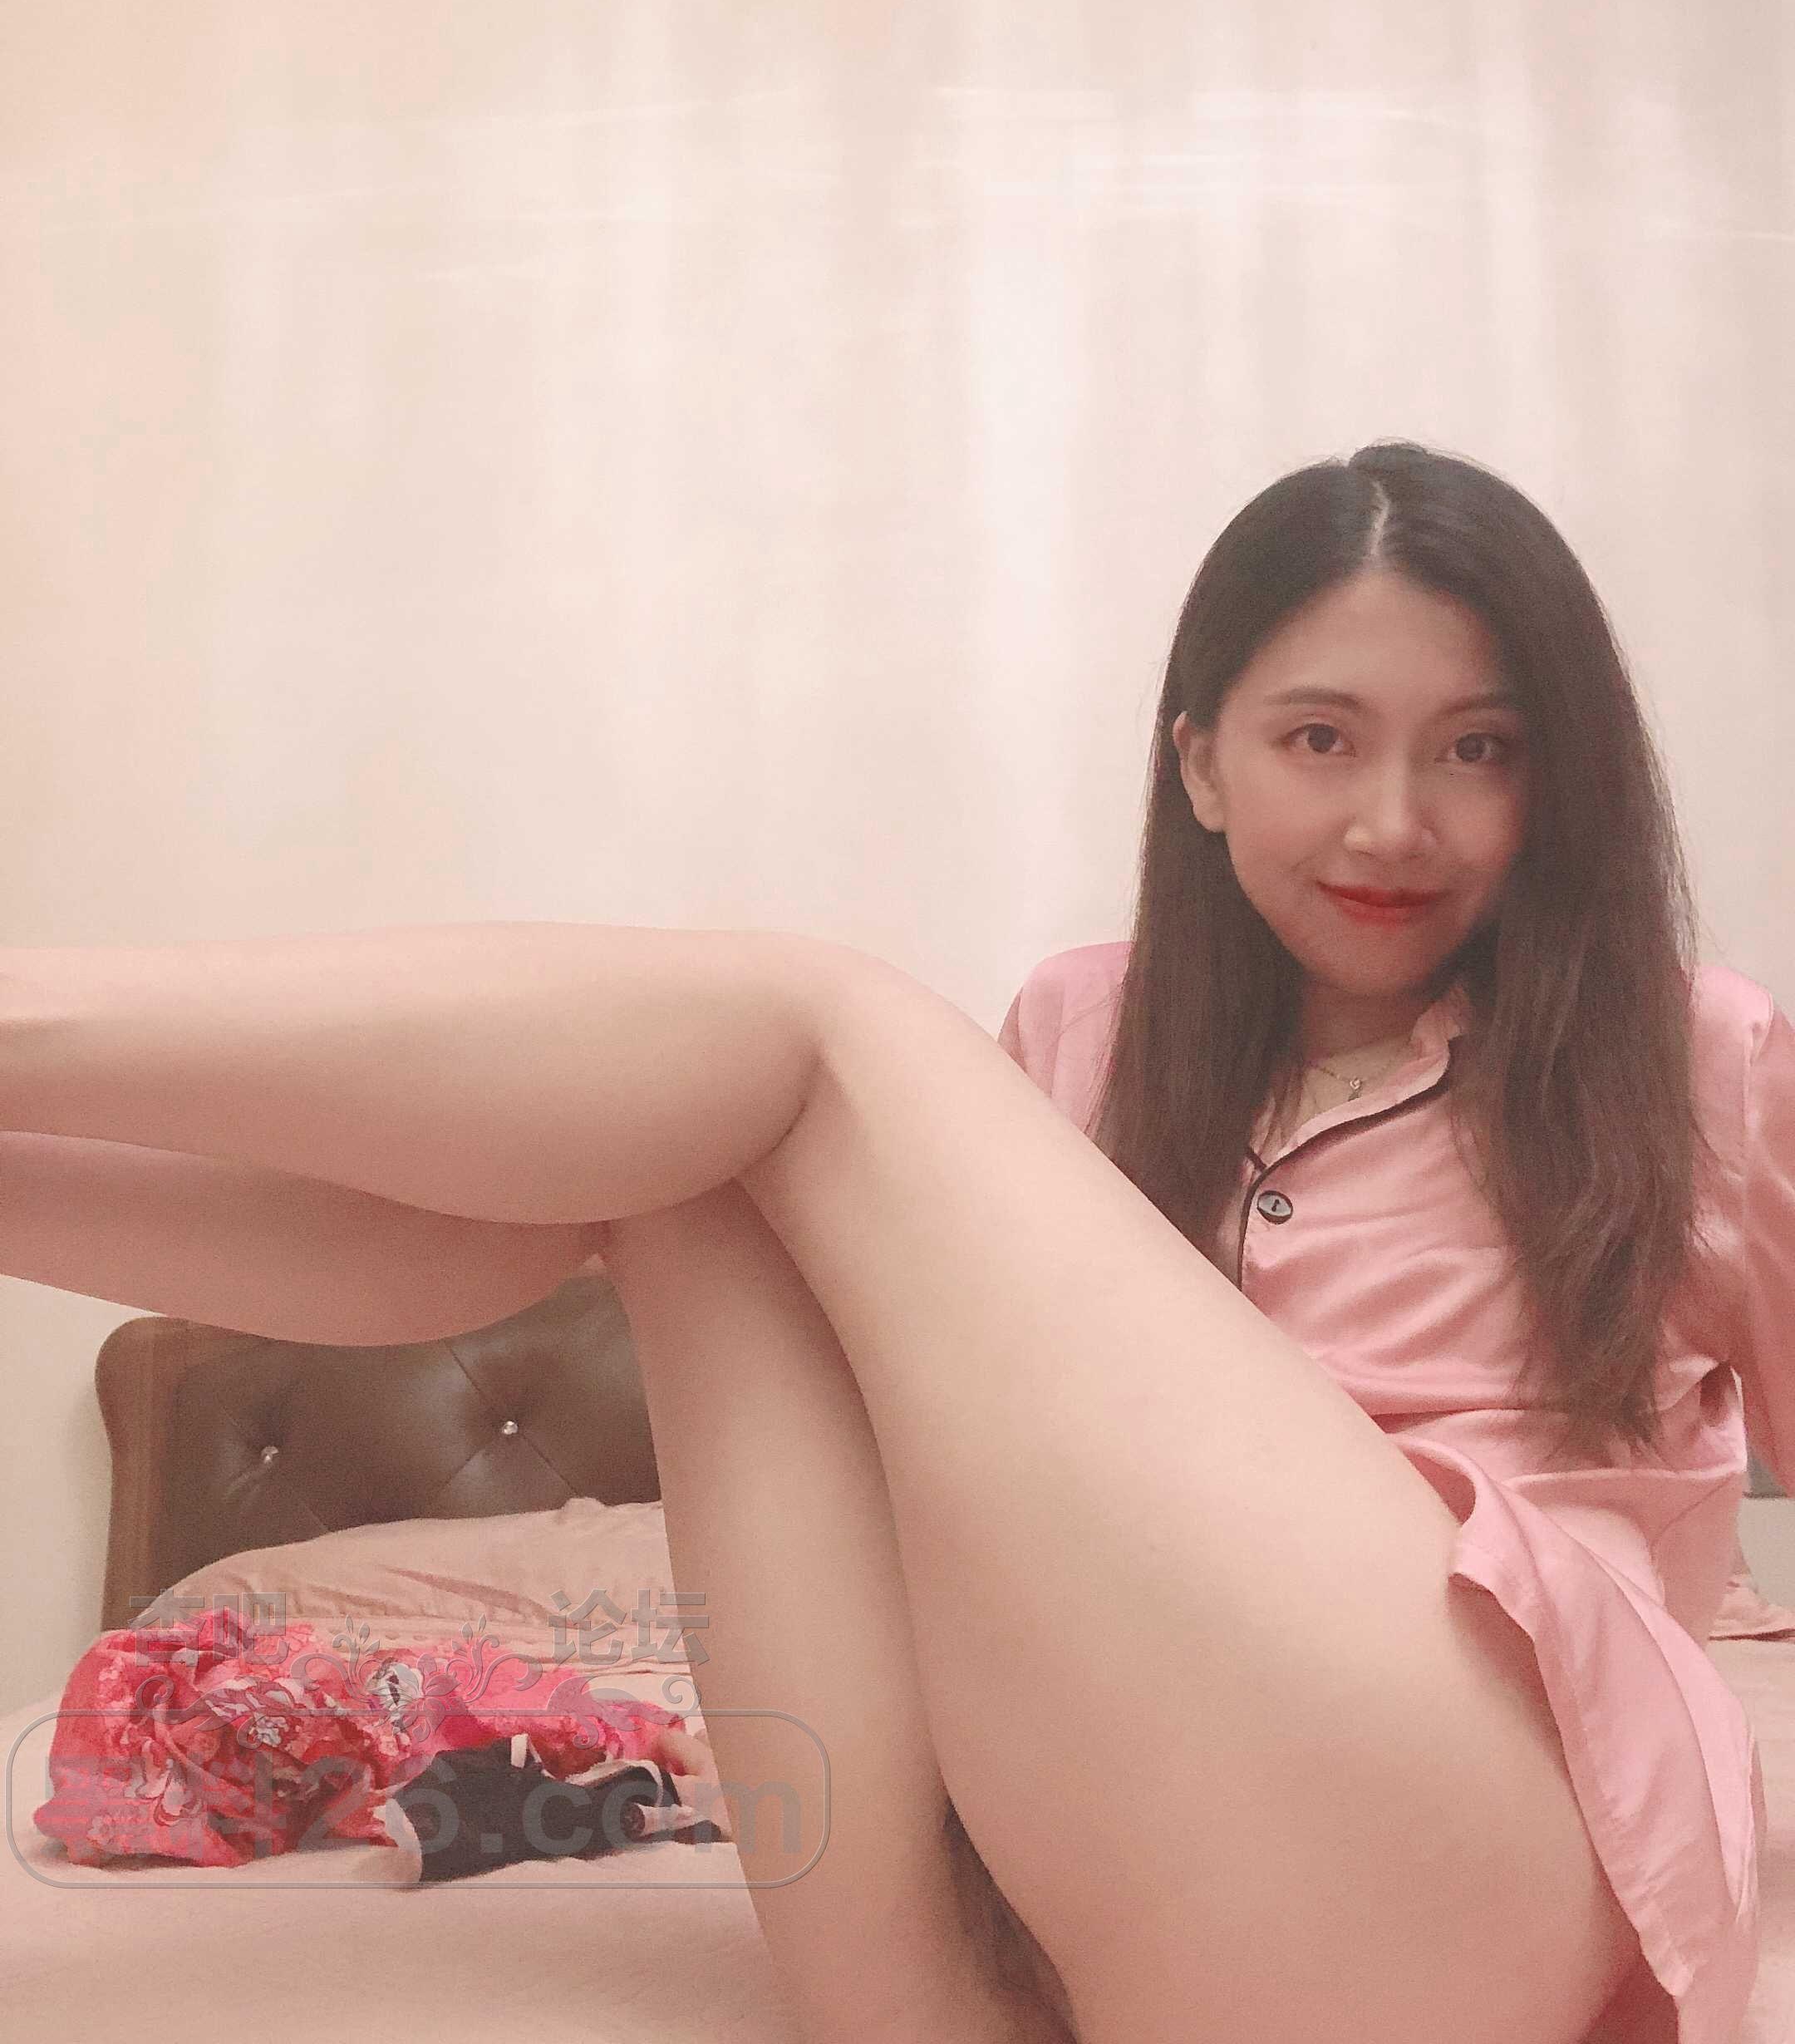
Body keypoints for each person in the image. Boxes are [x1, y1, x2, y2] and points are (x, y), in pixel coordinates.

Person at [1, 438, 1778, 2044]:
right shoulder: (1087, 1036)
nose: (1397, 820)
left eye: (1479, 750)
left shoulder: (1696, 1057)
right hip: (1034, 1927)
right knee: (676, 1182)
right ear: (1202, 766)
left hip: (1458, 1865)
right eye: (1322, 739)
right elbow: (531, 1245)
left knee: (818, 1028)